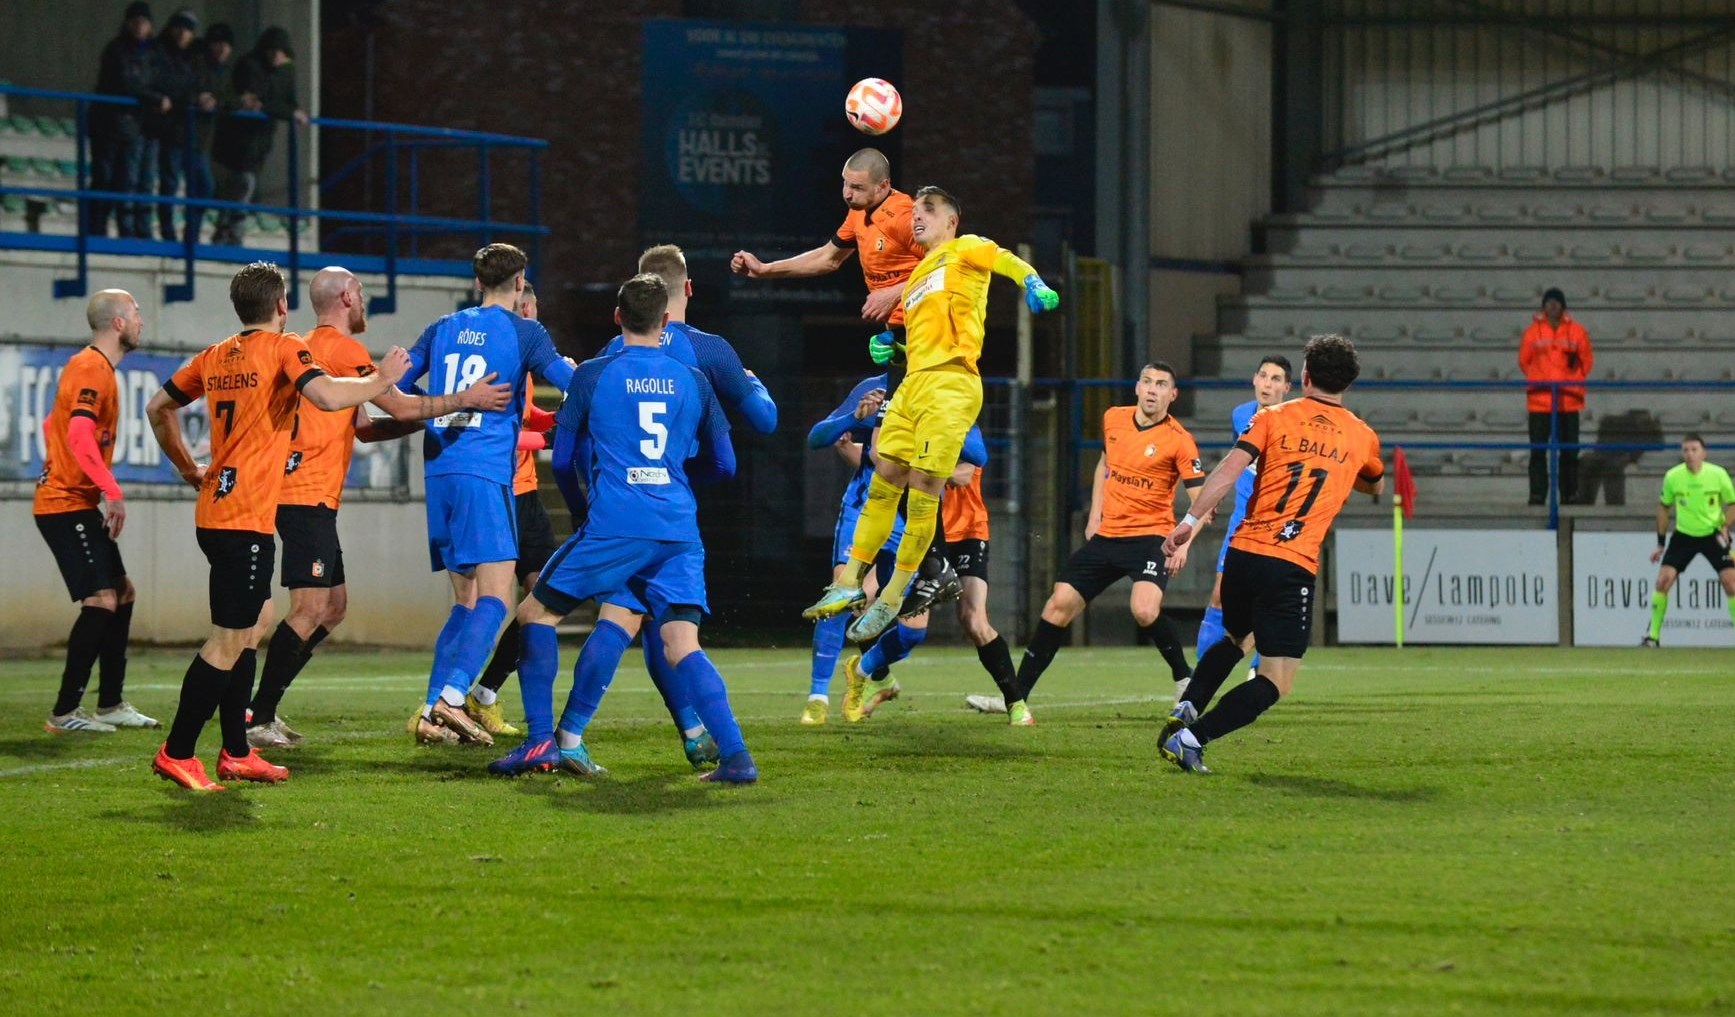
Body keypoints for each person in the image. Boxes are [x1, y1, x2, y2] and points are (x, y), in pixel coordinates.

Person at [144, 261, 412, 791]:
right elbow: (329, 397)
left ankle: (237, 751)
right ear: (283, 306)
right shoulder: (286, 348)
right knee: (227, 640)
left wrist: (186, 467)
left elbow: (158, 407)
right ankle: (177, 752)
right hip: (244, 518)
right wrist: (383, 379)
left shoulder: (215, 355)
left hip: (221, 509)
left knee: (248, 635)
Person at [487, 273, 758, 784]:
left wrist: (583, 512)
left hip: (616, 523)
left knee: (534, 614)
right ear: (665, 321)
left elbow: (564, 461)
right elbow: (725, 465)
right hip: (677, 527)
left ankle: (542, 740)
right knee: (681, 642)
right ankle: (737, 757)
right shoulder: (693, 379)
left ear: (617, 318)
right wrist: (677, 480)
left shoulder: (592, 375)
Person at [244, 266, 513, 749]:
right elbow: (405, 407)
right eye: (361, 293)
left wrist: (433, 418)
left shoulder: (309, 346)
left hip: (306, 496)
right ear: (347, 296)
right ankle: (258, 715)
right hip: (305, 495)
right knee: (309, 608)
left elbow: (365, 426)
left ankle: (265, 707)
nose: (364, 300)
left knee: (333, 607)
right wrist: (465, 401)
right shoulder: (344, 349)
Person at [548, 244, 778, 765]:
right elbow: (764, 423)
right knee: (663, 625)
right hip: (676, 503)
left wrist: (590, 498)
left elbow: (580, 442)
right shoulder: (710, 352)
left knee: (630, 617)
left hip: (618, 503)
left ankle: (575, 732)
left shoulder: (612, 350)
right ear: (686, 291)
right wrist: (756, 386)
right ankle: (704, 739)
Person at [802, 186, 1057, 643]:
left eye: (929, 211)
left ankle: (893, 596)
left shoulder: (966, 247)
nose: (917, 218)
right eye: (915, 211)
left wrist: (1032, 281)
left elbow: (1005, 259)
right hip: (914, 382)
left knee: (923, 490)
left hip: (952, 383)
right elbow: (922, 339)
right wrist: (893, 348)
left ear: (951, 221)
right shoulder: (919, 276)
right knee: (884, 477)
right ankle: (847, 584)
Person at [1159, 334, 1383, 773]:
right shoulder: (1362, 436)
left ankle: (1188, 706)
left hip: (1243, 553)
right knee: (1276, 680)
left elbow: (1227, 471)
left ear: (1304, 377)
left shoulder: (1272, 416)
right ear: (1349, 384)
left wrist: (1189, 524)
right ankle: (1191, 738)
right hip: (1291, 564)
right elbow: (1374, 483)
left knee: (1236, 636)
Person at [399, 244, 574, 746]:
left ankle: (430, 713)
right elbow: (570, 383)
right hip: (484, 474)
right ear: (520, 283)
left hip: (439, 473)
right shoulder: (526, 332)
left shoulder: (441, 328)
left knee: (466, 601)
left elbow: (395, 387)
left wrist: (447, 407)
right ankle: (453, 700)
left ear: (478, 282)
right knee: (498, 599)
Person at [1000, 363, 1208, 726]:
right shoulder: (1113, 419)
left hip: (1151, 538)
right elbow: (1104, 464)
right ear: (1137, 388)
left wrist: (1183, 543)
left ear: (1172, 395)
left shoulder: (1179, 440)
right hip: (1109, 534)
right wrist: (1095, 513)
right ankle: (1017, 698)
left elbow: (1203, 502)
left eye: (1161, 385)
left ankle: (1183, 677)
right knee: (1057, 605)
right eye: (1146, 382)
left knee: (1144, 610)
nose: (1151, 390)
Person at [32, 289, 157, 734]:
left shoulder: (95, 368)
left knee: (122, 592)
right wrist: (111, 490)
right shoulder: (90, 368)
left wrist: (64, 468)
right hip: (64, 503)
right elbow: (79, 435)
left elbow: (53, 425)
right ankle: (65, 713)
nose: (142, 320)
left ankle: (110, 704)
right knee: (101, 599)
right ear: (118, 324)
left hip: (73, 498)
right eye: (137, 312)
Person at [468, 281, 561, 737]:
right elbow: (495, 430)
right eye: (535, 309)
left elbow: (524, 419)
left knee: (544, 597)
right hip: (501, 493)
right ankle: (450, 696)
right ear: (522, 308)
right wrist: (545, 439)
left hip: (527, 496)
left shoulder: (522, 363)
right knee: (484, 603)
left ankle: (483, 693)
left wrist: (556, 420)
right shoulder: (501, 356)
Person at [730, 148, 923, 332]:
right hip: (901, 328)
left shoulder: (905, 218)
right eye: (845, 183)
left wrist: (893, 293)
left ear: (883, 186)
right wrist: (764, 270)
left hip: (928, 323)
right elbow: (828, 258)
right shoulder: (859, 211)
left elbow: (949, 265)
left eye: (857, 187)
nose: (847, 193)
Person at [801, 374, 902, 724]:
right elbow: (818, 437)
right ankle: (818, 696)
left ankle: (879, 674)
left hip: (912, 514)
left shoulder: (943, 384)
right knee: (842, 593)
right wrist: (857, 418)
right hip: (865, 506)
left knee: (910, 622)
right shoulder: (874, 387)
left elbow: (975, 455)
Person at [1195, 355, 1293, 683]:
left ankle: (1259, 669)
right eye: (1263, 376)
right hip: (1241, 520)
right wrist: (1214, 494)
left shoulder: (1294, 423)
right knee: (1220, 594)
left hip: (1276, 523)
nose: (1268, 383)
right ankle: (1200, 673)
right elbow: (1237, 460)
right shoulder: (1240, 415)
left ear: (1287, 387)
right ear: (1254, 380)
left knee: (1269, 598)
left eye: (1276, 378)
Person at [210, 26, 307, 246]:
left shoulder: (287, 71)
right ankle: (232, 230)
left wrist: (289, 110)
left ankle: (225, 228)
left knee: (240, 185)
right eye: (272, 51)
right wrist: (287, 111)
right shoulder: (250, 65)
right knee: (243, 182)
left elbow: (286, 102)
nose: (276, 56)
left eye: (280, 52)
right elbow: (257, 101)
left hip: (260, 140)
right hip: (238, 137)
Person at [1642, 434, 1735, 646]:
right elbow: (1664, 507)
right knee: (1662, 581)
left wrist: (1724, 527)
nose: (1690, 454)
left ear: (1704, 453)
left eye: (1694, 450)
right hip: (1684, 535)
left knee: (1731, 582)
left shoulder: (1718, 474)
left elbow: (1733, 503)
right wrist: (1660, 543)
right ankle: (1652, 636)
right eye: (1686, 450)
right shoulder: (1673, 476)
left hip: (1712, 534)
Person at [90, 2, 169, 238]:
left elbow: (159, 80)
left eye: (143, 22)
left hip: (134, 126)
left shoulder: (153, 53)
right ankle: (97, 228)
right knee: (104, 178)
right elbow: (125, 82)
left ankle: (125, 230)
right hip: (108, 124)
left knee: (125, 181)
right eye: (135, 21)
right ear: (127, 23)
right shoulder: (116, 49)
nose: (139, 26)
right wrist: (154, 98)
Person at [1520, 287, 1593, 506]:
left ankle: (1569, 494)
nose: (1553, 306)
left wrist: (1572, 377)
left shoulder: (1577, 331)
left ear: (1563, 306)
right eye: (1549, 302)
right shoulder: (1532, 332)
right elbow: (1524, 361)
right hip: (1540, 402)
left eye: (1556, 302)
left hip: (1568, 401)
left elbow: (1587, 361)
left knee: (1570, 452)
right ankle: (1537, 495)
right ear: (1543, 306)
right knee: (1538, 452)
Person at [149, 9, 216, 243]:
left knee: (204, 187)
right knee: (169, 185)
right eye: (179, 27)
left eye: (188, 29)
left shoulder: (197, 57)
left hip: (194, 135)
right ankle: (168, 235)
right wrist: (194, 98)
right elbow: (167, 85)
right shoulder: (160, 52)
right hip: (171, 132)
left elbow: (204, 84)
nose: (182, 33)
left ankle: (192, 235)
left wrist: (207, 97)